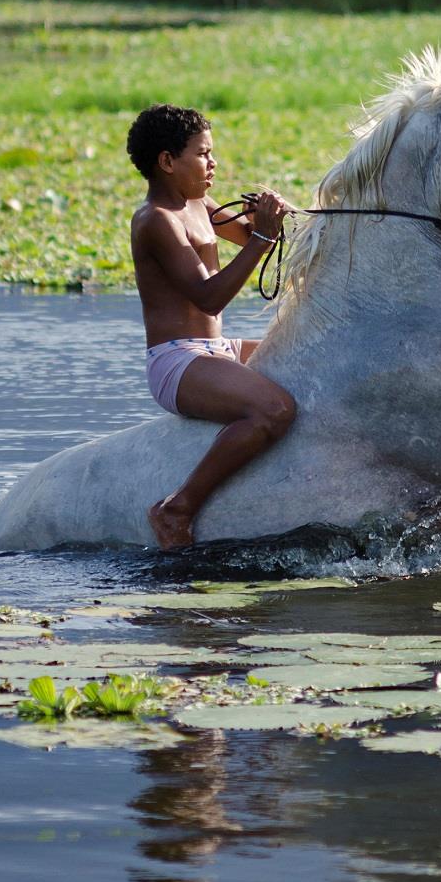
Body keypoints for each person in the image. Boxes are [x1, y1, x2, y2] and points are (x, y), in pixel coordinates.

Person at [126, 103, 297, 550]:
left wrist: (268, 223)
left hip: (216, 348)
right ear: (167, 162)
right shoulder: (156, 221)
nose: (213, 163)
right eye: (203, 154)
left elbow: (251, 237)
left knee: (304, 359)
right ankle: (177, 507)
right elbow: (210, 295)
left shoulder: (199, 203)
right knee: (273, 409)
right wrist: (260, 238)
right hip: (177, 361)